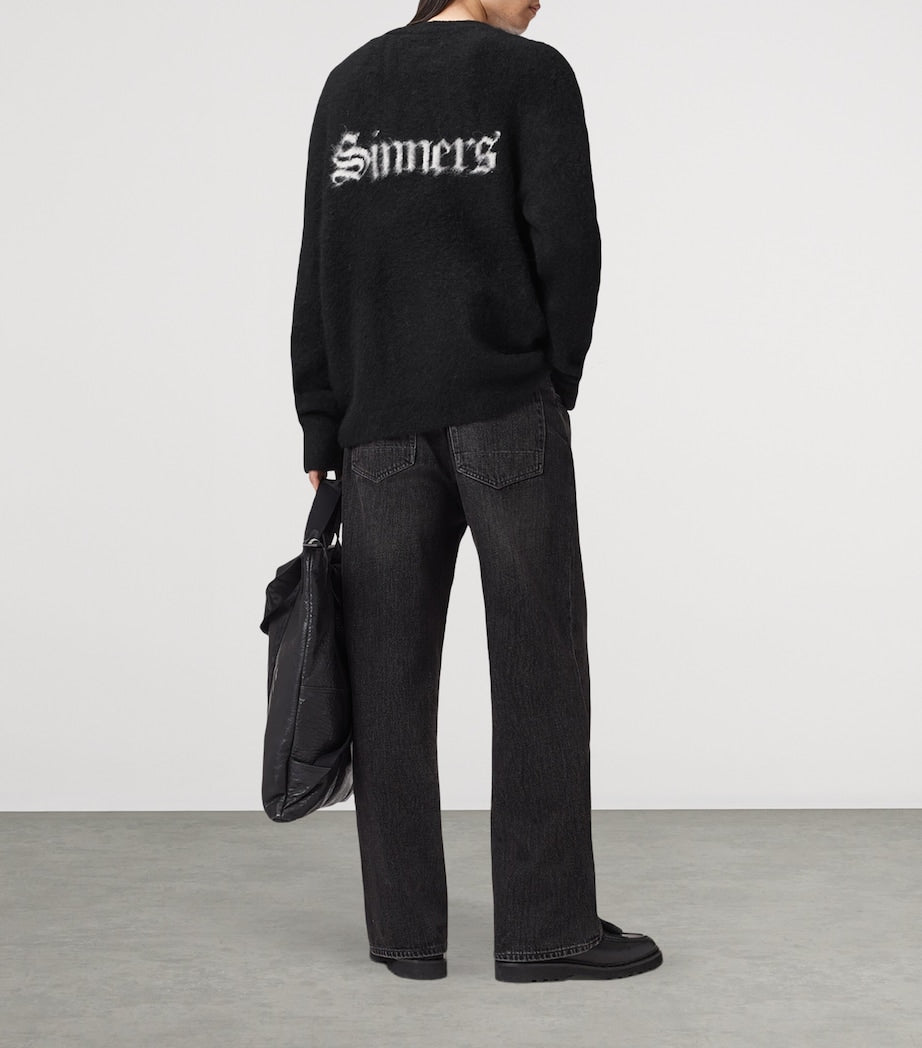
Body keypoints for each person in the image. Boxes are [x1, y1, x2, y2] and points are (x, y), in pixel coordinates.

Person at [288, 0, 663, 982]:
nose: (541, 0)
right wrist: (553, 378)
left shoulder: (350, 85)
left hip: (376, 427)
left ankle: (405, 936)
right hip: (503, 412)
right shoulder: (529, 76)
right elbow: (569, 242)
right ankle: (546, 933)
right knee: (540, 661)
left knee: (387, 679)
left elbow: (320, 261)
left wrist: (321, 417)